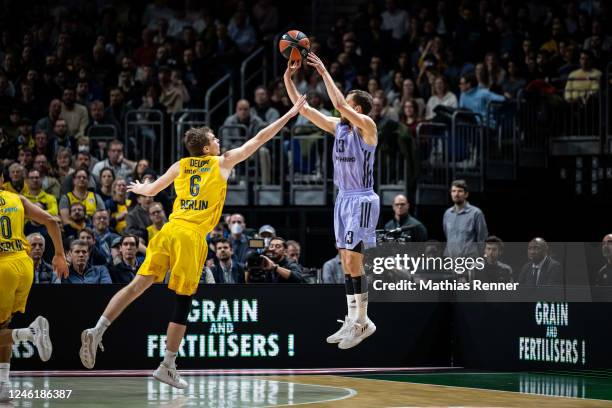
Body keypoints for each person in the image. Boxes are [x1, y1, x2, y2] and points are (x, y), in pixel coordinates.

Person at [79, 95, 306, 388]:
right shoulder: (221, 163)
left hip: (169, 231)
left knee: (137, 285)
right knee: (183, 301)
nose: (219, 142)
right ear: (207, 147)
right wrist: (289, 114)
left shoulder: (181, 165)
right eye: (215, 139)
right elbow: (259, 139)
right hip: (190, 236)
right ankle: (167, 365)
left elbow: (152, 189)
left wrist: (141, 186)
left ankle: (98, 329)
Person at [284, 54, 378, 349]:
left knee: (353, 260)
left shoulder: (368, 127)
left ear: (358, 108)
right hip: (343, 199)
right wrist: (288, 78)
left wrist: (324, 70)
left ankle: (363, 320)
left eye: (349, 102)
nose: (343, 105)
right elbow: (306, 110)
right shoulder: (339, 127)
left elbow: (338, 104)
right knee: (344, 260)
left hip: (362, 197)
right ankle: (353, 319)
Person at [0, 162, 69, 402]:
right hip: (23, 265)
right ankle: (3, 384)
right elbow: (51, 220)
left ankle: (30, 333)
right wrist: (59, 254)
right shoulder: (15, 198)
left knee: (8, 330)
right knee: (3, 327)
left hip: (2, 269)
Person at [443, 179, 488, 258]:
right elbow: (448, 236)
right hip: (450, 261)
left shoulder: (476, 213)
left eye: (460, 191)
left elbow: (482, 238)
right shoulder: (447, 214)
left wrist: (480, 258)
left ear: (466, 194)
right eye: (453, 191)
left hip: (469, 260)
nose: (456, 194)